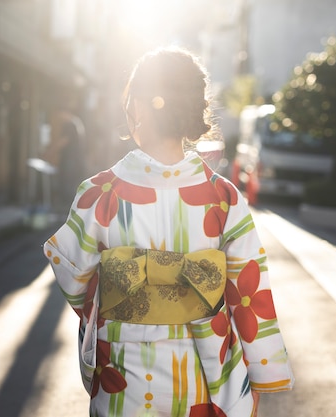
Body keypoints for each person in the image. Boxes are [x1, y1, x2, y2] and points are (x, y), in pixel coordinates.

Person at [43, 47, 294, 417]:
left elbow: (73, 279)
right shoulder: (223, 197)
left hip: (122, 375)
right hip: (204, 376)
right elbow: (249, 293)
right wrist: (256, 379)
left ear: (140, 108)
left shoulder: (98, 194)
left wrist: (124, 295)